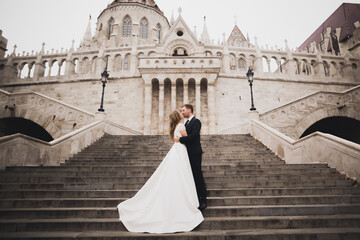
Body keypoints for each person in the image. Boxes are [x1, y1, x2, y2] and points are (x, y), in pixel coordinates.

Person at [117, 110, 203, 234]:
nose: (181, 113)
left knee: (177, 173)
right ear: (177, 117)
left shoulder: (175, 126)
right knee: (181, 173)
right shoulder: (181, 125)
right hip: (180, 150)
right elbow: (187, 139)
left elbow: (177, 139)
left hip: (176, 150)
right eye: (179, 113)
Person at [174, 104, 207, 210]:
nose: (182, 112)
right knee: (191, 176)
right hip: (187, 152)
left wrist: (180, 140)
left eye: (183, 110)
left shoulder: (196, 121)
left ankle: (203, 199)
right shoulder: (186, 123)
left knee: (197, 175)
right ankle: (195, 198)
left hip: (195, 152)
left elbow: (194, 136)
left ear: (189, 110)